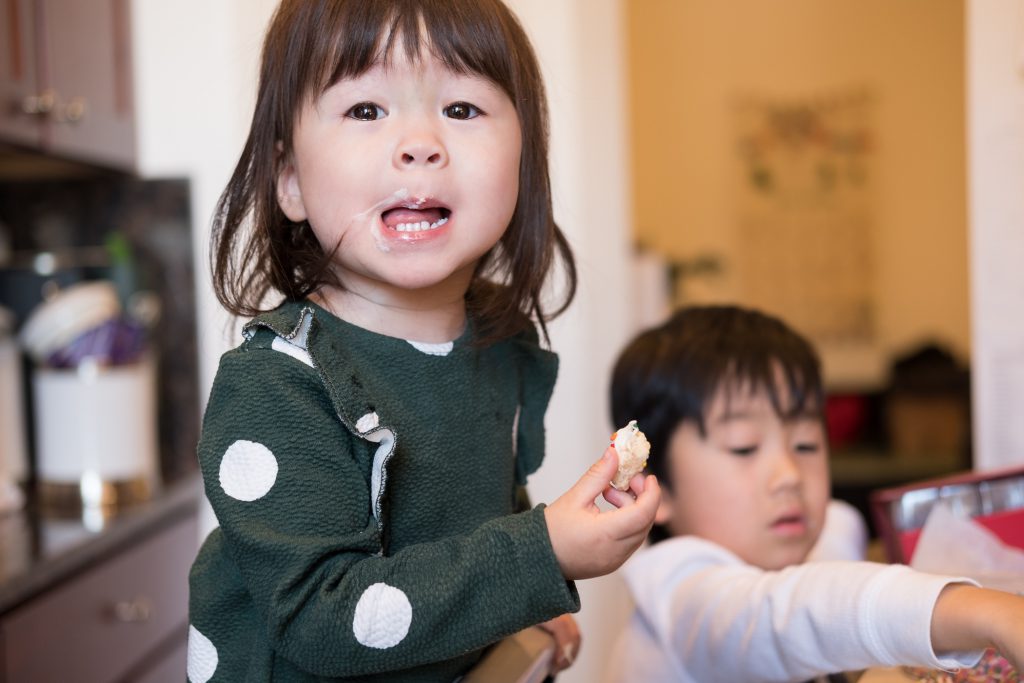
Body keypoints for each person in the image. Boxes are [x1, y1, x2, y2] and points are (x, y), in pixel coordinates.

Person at [186, 1, 660, 681]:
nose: (419, 143)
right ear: (289, 178)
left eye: (461, 109)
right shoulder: (280, 380)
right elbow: (320, 618)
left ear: (523, 160)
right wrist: (540, 555)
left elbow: (479, 517)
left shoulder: (496, 344)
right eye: (366, 110)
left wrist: (521, 601)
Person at [604, 305, 1024, 683]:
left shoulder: (804, 547)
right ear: (654, 484)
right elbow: (789, 615)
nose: (789, 474)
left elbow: (838, 524)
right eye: (744, 447)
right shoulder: (680, 593)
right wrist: (990, 613)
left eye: (805, 443)